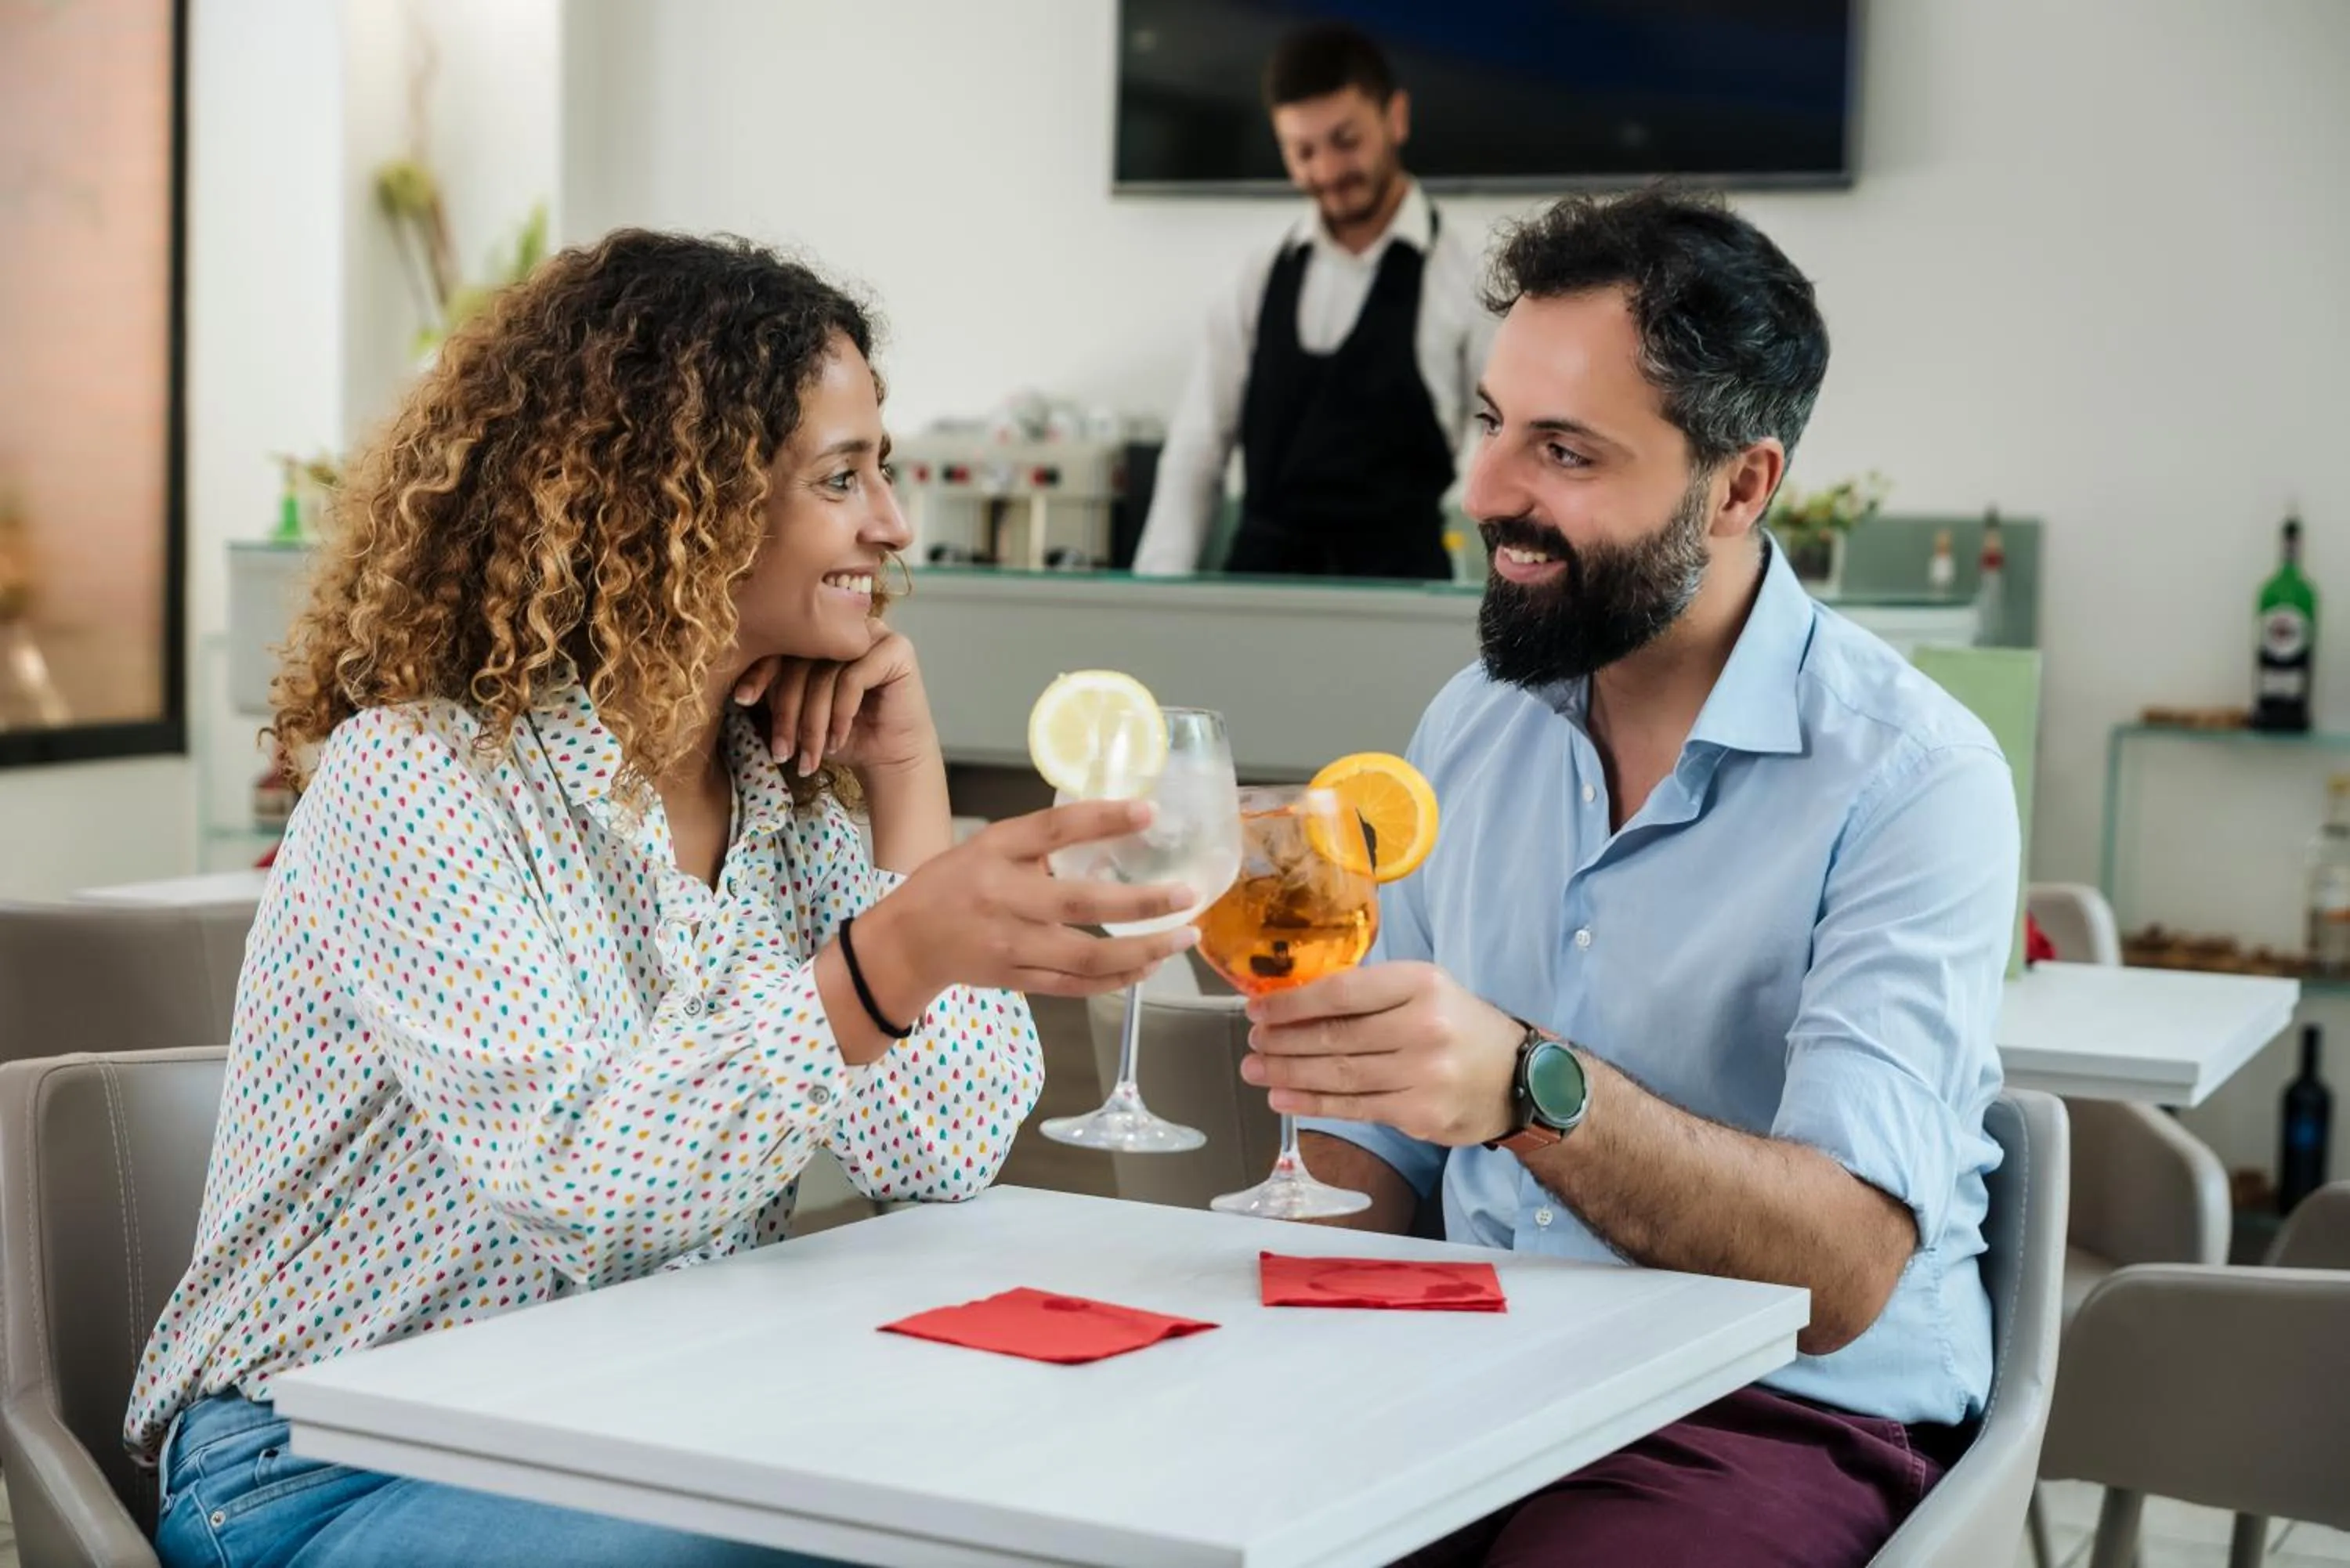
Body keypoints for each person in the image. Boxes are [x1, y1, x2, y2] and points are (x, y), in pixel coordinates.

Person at [127, 230, 1201, 1568]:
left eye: (885, 470)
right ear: (673, 503)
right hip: (323, 1461)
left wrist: (908, 783)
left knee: (1024, 1484)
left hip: (638, 1413)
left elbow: (942, 1154)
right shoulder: (418, 780)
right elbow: (584, 1175)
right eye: (843, 476)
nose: (893, 525)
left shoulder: (785, 796)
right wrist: (881, 963)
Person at [1249, 189, 2017, 1566]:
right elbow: (1388, 1153)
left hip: (1767, 1410)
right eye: (1492, 425)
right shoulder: (1472, 725)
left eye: (1565, 452)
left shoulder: (1914, 779)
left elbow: (1841, 1271)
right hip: (1471, 1372)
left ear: (1741, 485)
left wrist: (1529, 1088)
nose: (1484, 493)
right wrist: (1261, 1275)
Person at [1130, 22, 1494, 581]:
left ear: (1395, 117)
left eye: (1345, 141)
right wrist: (1155, 593)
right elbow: (1197, 450)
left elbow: (1500, 444)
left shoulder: (1468, 275)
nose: (1325, 171)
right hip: (1258, 590)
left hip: (1400, 597)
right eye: (1302, 152)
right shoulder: (1254, 277)